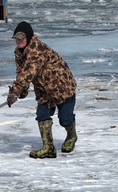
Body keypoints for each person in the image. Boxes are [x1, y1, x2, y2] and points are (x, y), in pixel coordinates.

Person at [7, 21, 77, 159]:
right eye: (16, 38)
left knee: (65, 119)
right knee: (42, 115)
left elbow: (28, 72)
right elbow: (22, 72)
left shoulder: (37, 51)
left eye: (21, 37)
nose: (19, 41)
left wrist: (15, 91)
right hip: (44, 90)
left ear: (29, 36)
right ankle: (48, 148)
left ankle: (72, 135)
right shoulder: (19, 52)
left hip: (62, 88)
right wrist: (22, 90)